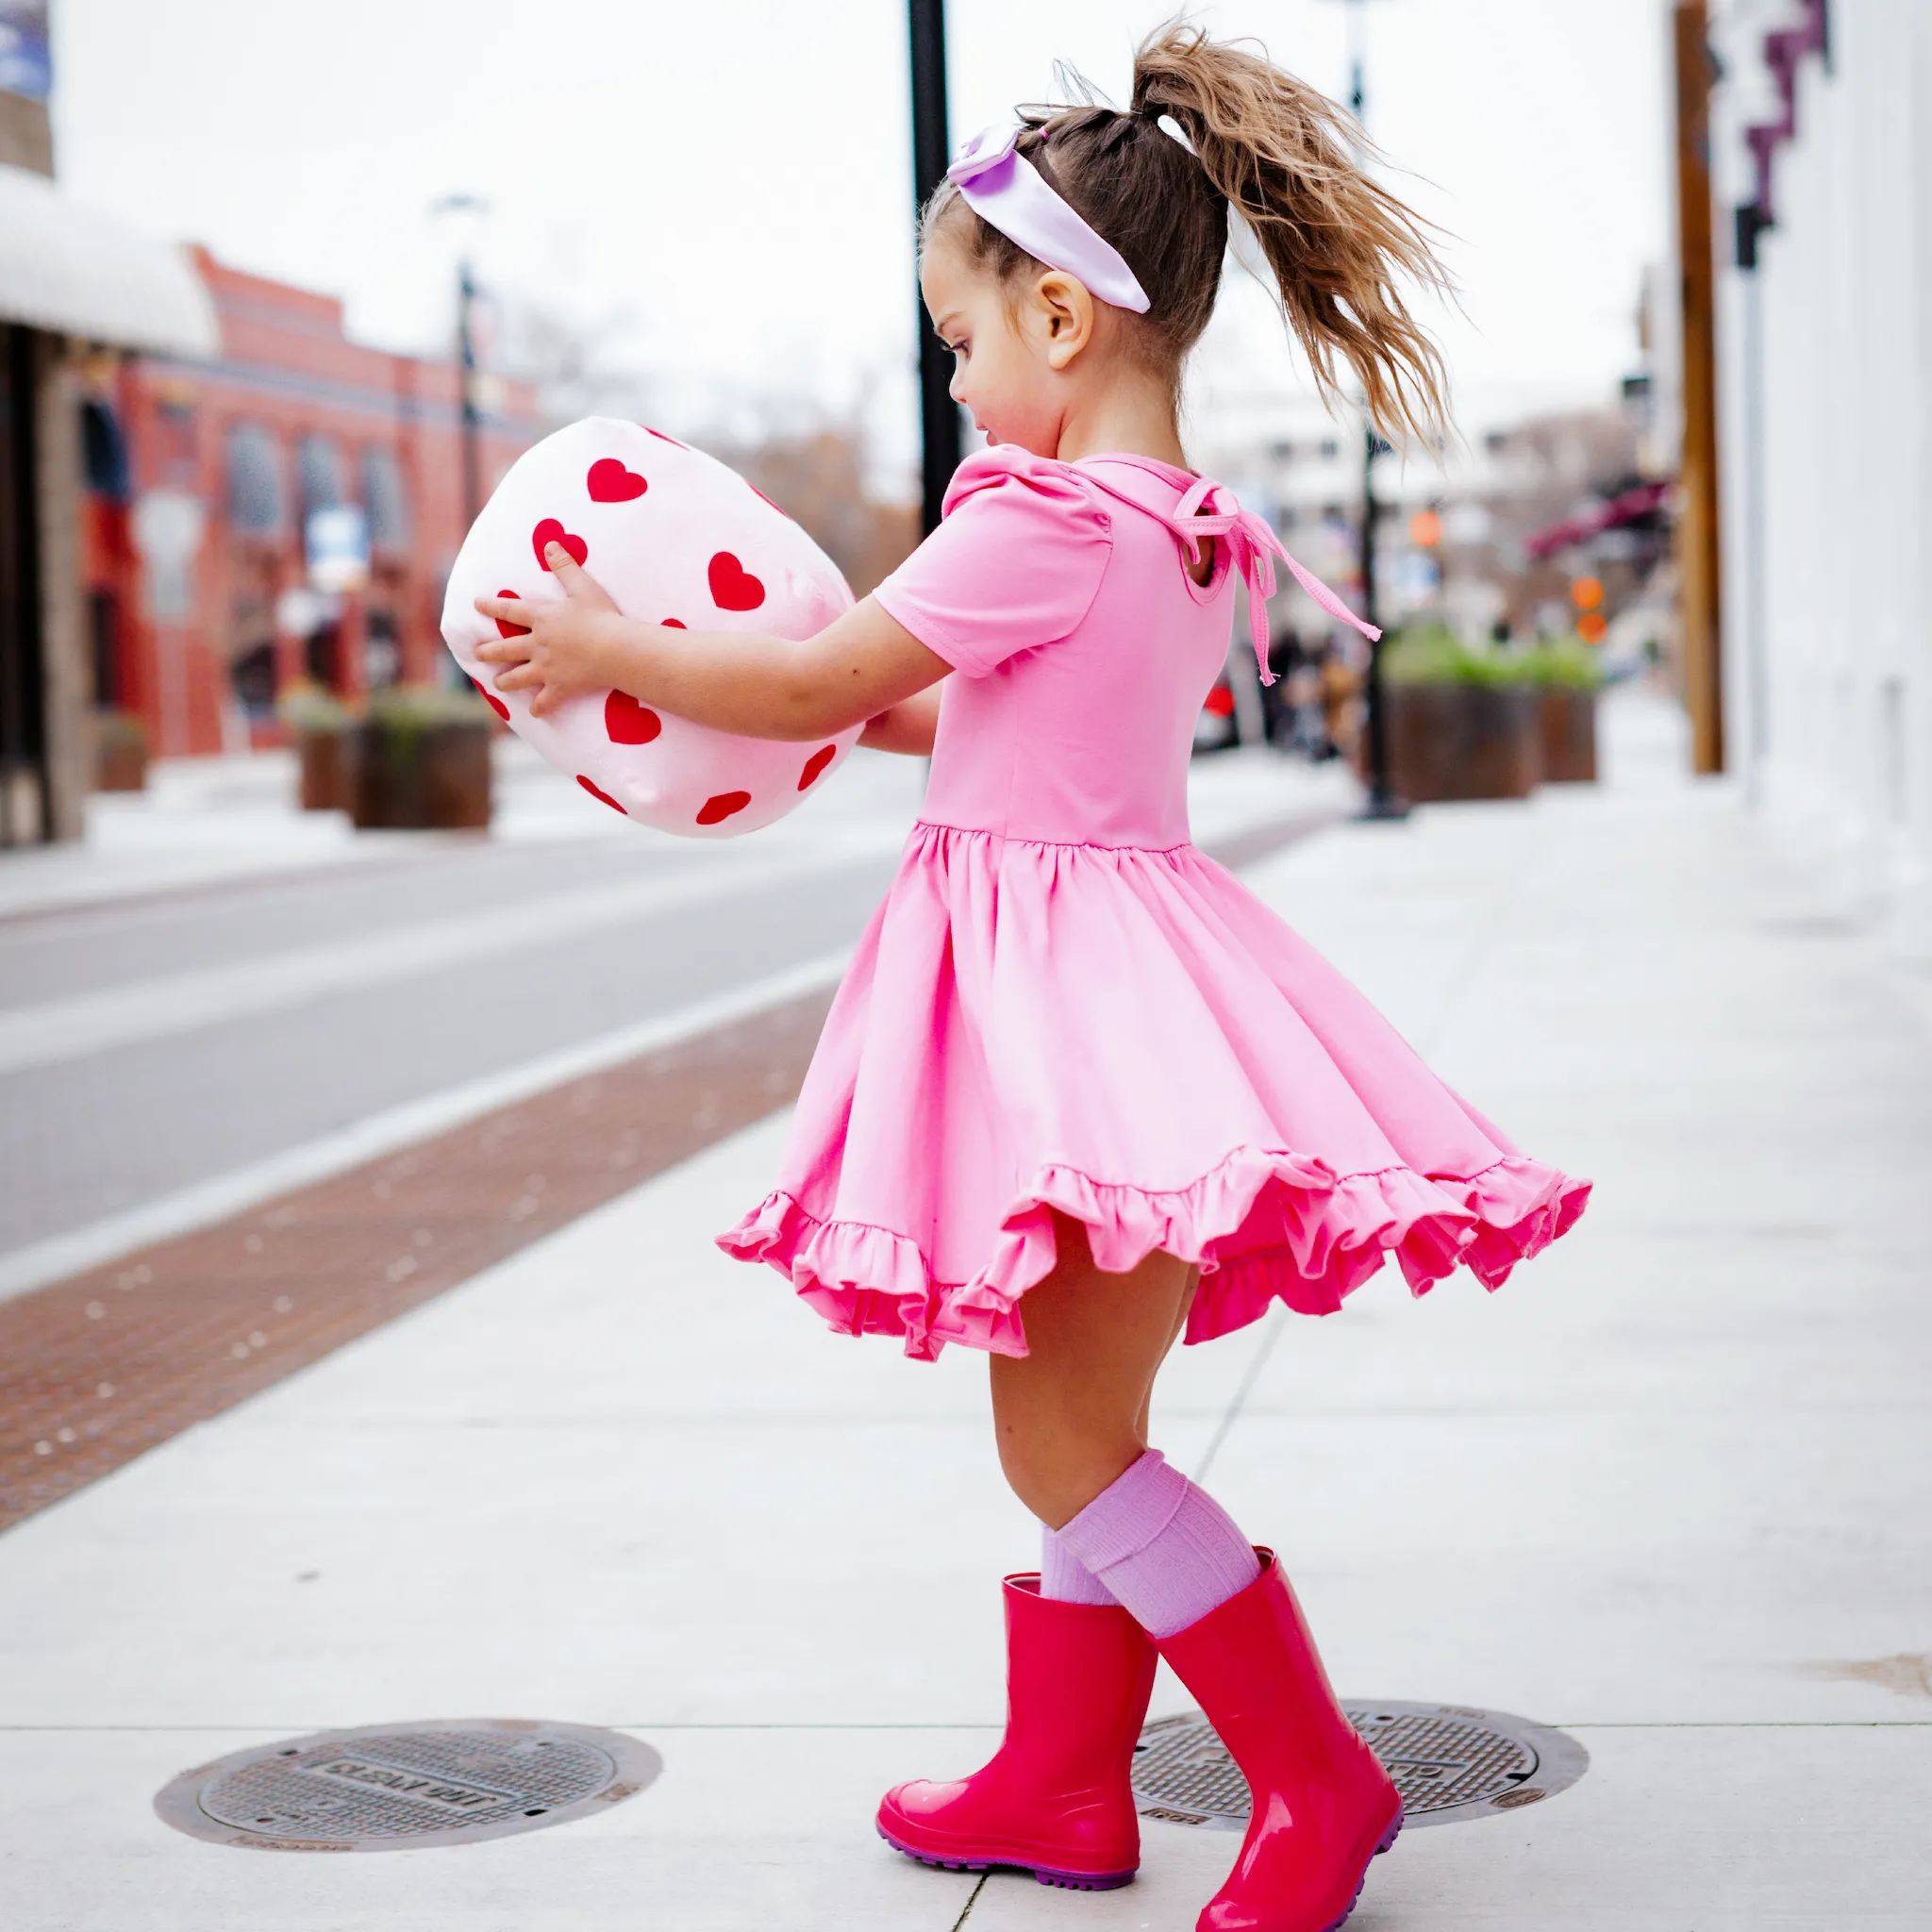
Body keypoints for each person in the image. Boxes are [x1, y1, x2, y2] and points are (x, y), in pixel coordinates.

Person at [475, 24, 1588, 1931]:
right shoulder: (1174, 531)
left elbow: (825, 685)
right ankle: (1062, 1779)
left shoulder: (1037, 516)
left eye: (964, 340)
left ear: (1065, 324)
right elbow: (946, 720)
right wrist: (747, 687)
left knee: (1056, 1437)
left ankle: (1309, 1781)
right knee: (1085, 1420)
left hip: (1062, 1026)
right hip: (1132, 1005)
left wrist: (605, 641)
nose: (962, 379)